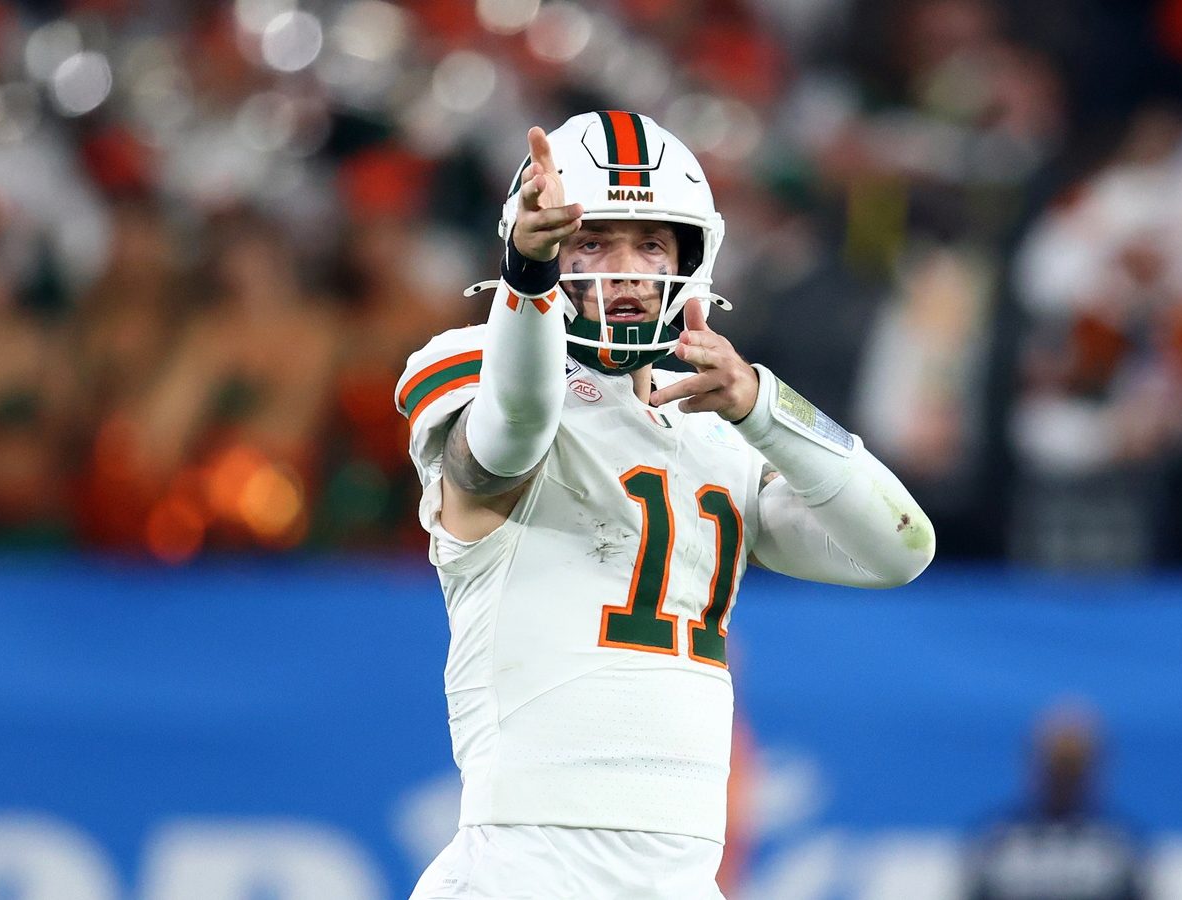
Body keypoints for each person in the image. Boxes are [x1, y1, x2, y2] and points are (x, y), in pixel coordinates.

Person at [396, 111, 935, 900]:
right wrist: (530, 282)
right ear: (536, 242)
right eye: (591, 241)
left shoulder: (721, 435)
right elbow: (512, 435)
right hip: (526, 864)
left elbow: (900, 548)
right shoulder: (471, 363)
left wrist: (764, 408)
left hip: (682, 874)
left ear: (691, 258)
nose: (623, 271)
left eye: (649, 244)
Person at [965, 703, 1146, 900]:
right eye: (1056, 768)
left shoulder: (1119, 846)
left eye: (1073, 770)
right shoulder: (997, 843)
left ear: (1093, 770)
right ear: (1035, 765)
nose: (1064, 781)